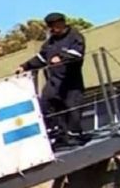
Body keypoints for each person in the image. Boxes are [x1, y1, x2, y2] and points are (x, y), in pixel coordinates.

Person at [17, 12, 86, 147]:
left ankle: (74, 136)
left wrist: (61, 56)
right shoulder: (50, 42)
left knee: (73, 109)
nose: (52, 29)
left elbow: (77, 54)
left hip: (71, 82)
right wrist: (25, 66)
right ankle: (58, 134)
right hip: (54, 81)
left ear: (61, 23)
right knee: (46, 104)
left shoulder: (75, 36)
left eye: (54, 26)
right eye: (50, 27)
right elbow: (41, 58)